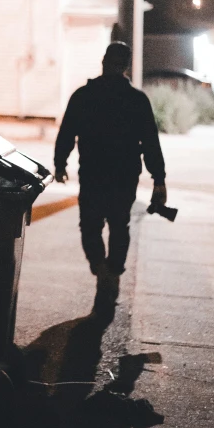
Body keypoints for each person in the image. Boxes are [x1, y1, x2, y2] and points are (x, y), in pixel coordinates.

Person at [54, 41, 166, 288]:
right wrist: (159, 179)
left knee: (90, 225)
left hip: (92, 173)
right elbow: (150, 142)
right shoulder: (136, 100)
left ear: (103, 61)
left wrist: (60, 164)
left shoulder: (84, 96)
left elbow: (67, 133)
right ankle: (113, 270)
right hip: (124, 175)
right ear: (126, 66)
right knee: (119, 224)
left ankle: (100, 267)